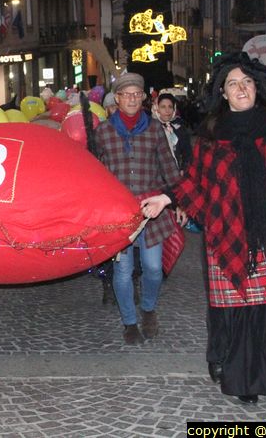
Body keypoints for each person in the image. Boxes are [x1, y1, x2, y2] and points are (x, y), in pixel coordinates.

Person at [141, 52, 266, 405]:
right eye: (233, 84)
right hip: (228, 233)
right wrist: (165, 199)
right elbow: (195, 182)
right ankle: (244, 380)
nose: (241, 89)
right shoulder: (212, 133)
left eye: (247, 82)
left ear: (257, 87)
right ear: (223, 93)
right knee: (237, 310)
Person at [94, 72, 182, 345]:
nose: (131, 99)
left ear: (144, 98)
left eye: (136, 94)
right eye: (126, 94)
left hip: (152, 208)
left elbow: (169, 167)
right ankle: (130, 322)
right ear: (117, 99)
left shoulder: (155, 129)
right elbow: (95, 174)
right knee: (122, 270)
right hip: (119, 212)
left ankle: (148, 309)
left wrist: (177, 200)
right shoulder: (103, 133)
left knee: (154, 268)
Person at [153, 93, 192, 171]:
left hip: (175, 173)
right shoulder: (150, 128)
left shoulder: (179, 128)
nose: (167, 110)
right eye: (163, 107)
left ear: (174, 109)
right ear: (157, 109)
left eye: (170, 107)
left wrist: (183, 169)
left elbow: (187, 152)